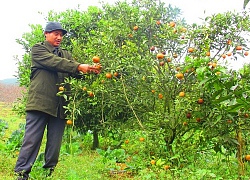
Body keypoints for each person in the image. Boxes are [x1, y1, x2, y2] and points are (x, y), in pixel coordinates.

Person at [14, 21, 100, 180]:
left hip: (60, 106)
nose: (59, 37)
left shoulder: (65, 54)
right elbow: (55, 63)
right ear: (46, 34)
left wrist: (91, 71)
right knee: (31, 141)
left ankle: (47, 174)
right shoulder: (38, 49)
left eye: (61, 35)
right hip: (40, 103)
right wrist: (79, 66)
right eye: (56, 33)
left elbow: (73, 70)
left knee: (54, 146)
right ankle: (21, 175)